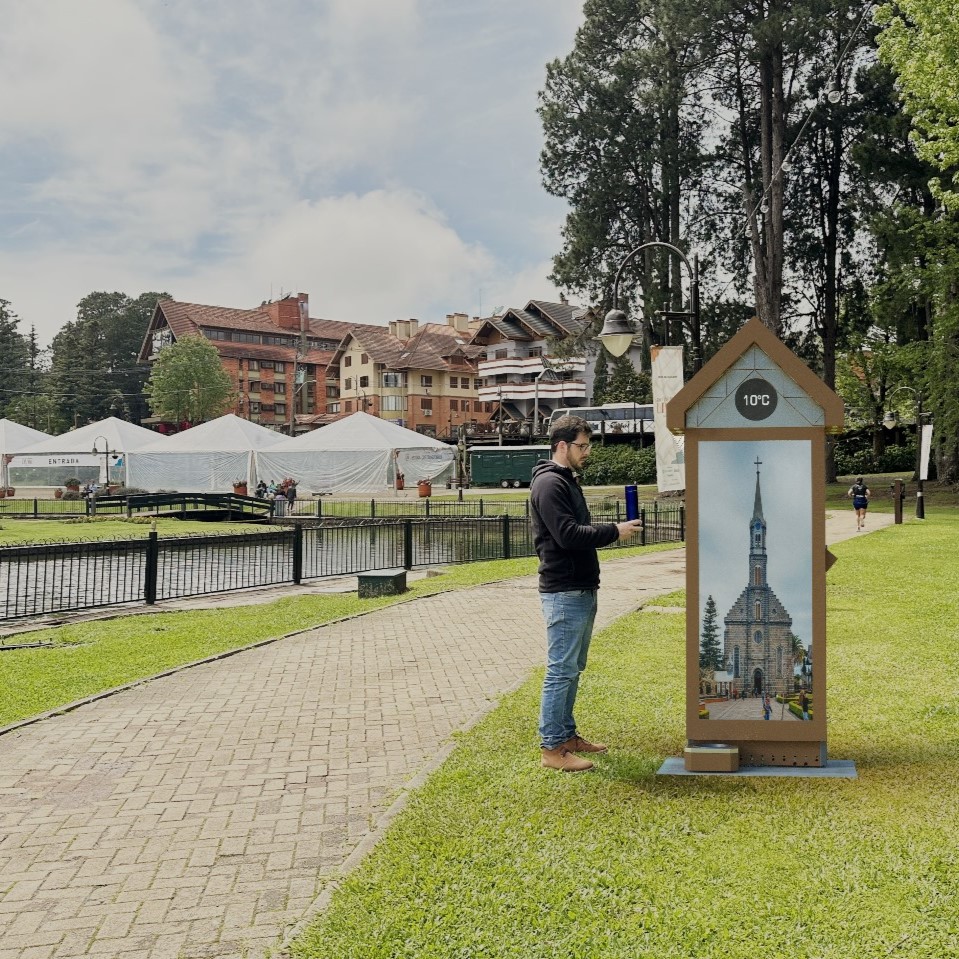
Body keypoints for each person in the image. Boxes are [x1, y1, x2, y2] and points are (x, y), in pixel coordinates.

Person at [529, 414, 644, 773]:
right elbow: (567, 535)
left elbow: (575, 531)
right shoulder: (549, 484)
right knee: (561, 670)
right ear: (562, 445)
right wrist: (614, 530)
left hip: (580, 588)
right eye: (582, 445)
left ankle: (566, 736)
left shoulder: (565, 481)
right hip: (564, 591)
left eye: (588, 445)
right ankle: (552, 749)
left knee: (572, 668)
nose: (587, 451)